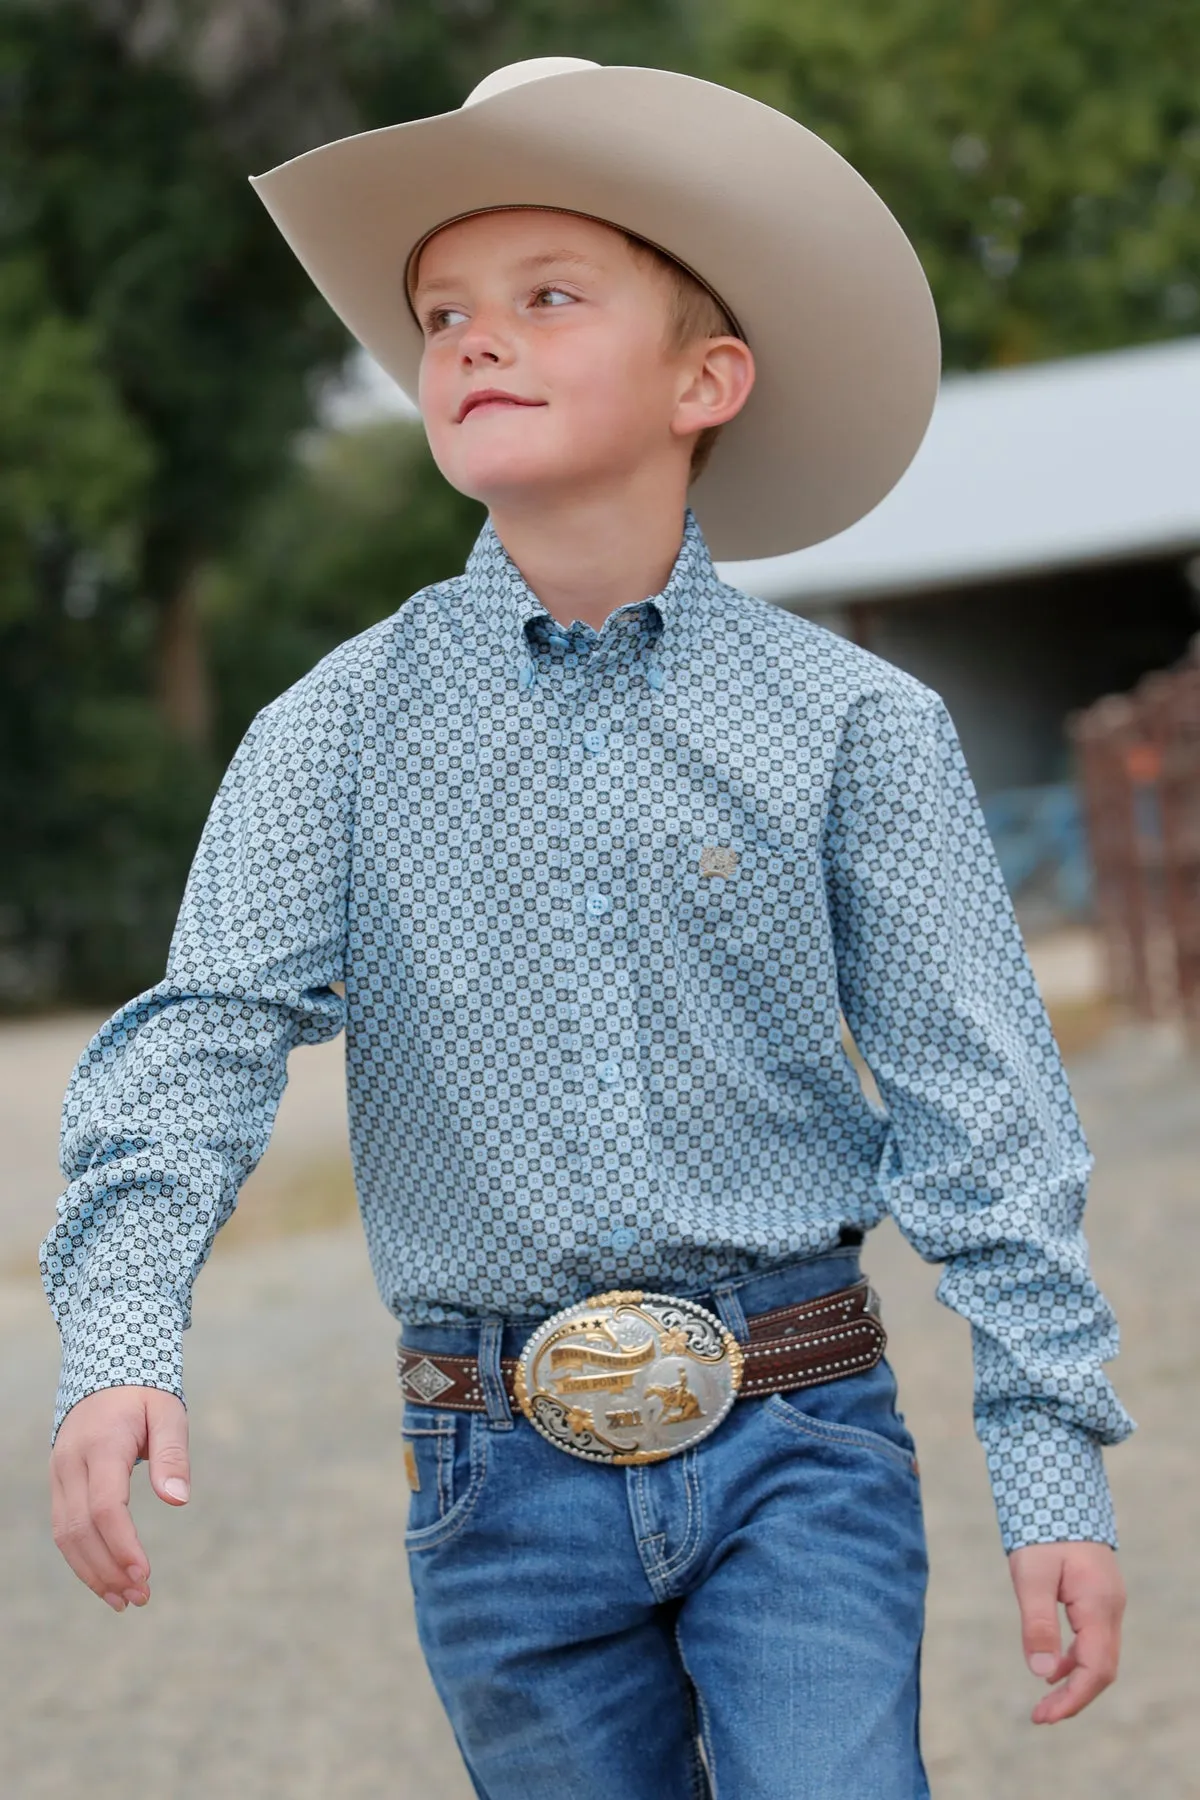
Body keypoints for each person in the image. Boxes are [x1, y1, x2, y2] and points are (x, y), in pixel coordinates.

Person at [41, 56, 1132, 1800]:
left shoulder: (854, 726)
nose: (473, 338)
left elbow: (986, 1119)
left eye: (548, 297)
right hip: (492, 1468)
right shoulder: (333, 726)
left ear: (709, 377)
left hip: (799, 1433)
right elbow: (200, 1046)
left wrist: (1052, 1473)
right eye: (441, 313)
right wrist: (115, 1349)